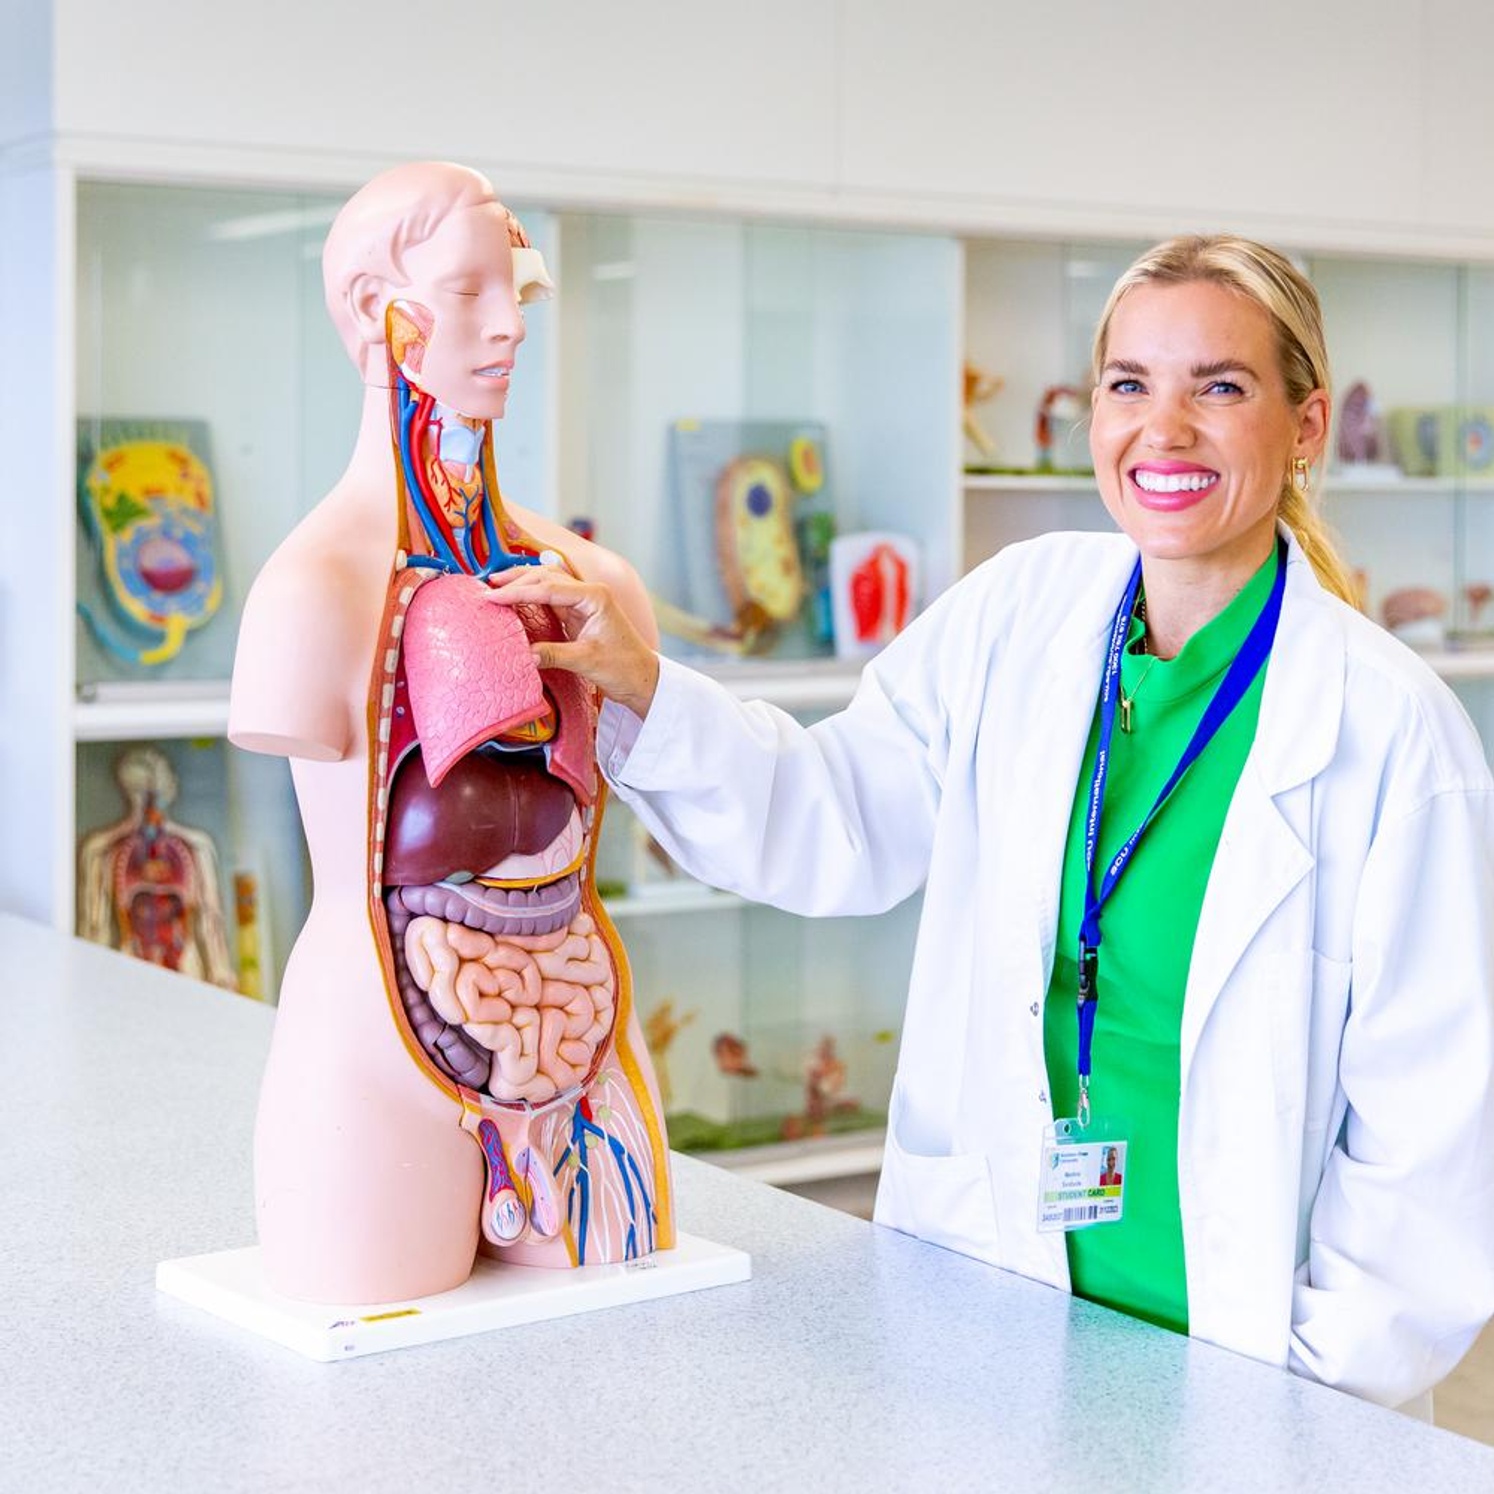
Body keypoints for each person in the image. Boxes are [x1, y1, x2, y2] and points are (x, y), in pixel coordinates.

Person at [492, 234, 1494, 1413]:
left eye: (1218, 388)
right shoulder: (1020, 612)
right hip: (999, 1315)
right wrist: (648, 694)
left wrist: (1316, 1388)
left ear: (1308, 425)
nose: (1161, 431)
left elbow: (1433, 1130)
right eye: (1129, 385)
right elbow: (835, 818)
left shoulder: (1389, 729)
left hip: (1252, 1367)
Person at [229, 162, 671, 1303]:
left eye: (517, 290)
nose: (511, 326)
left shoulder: (589, 581)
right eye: (471, 291)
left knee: (623, 1388)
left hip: (575, 1038)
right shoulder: (312, 591)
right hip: (369, 1061)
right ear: (386, 311)